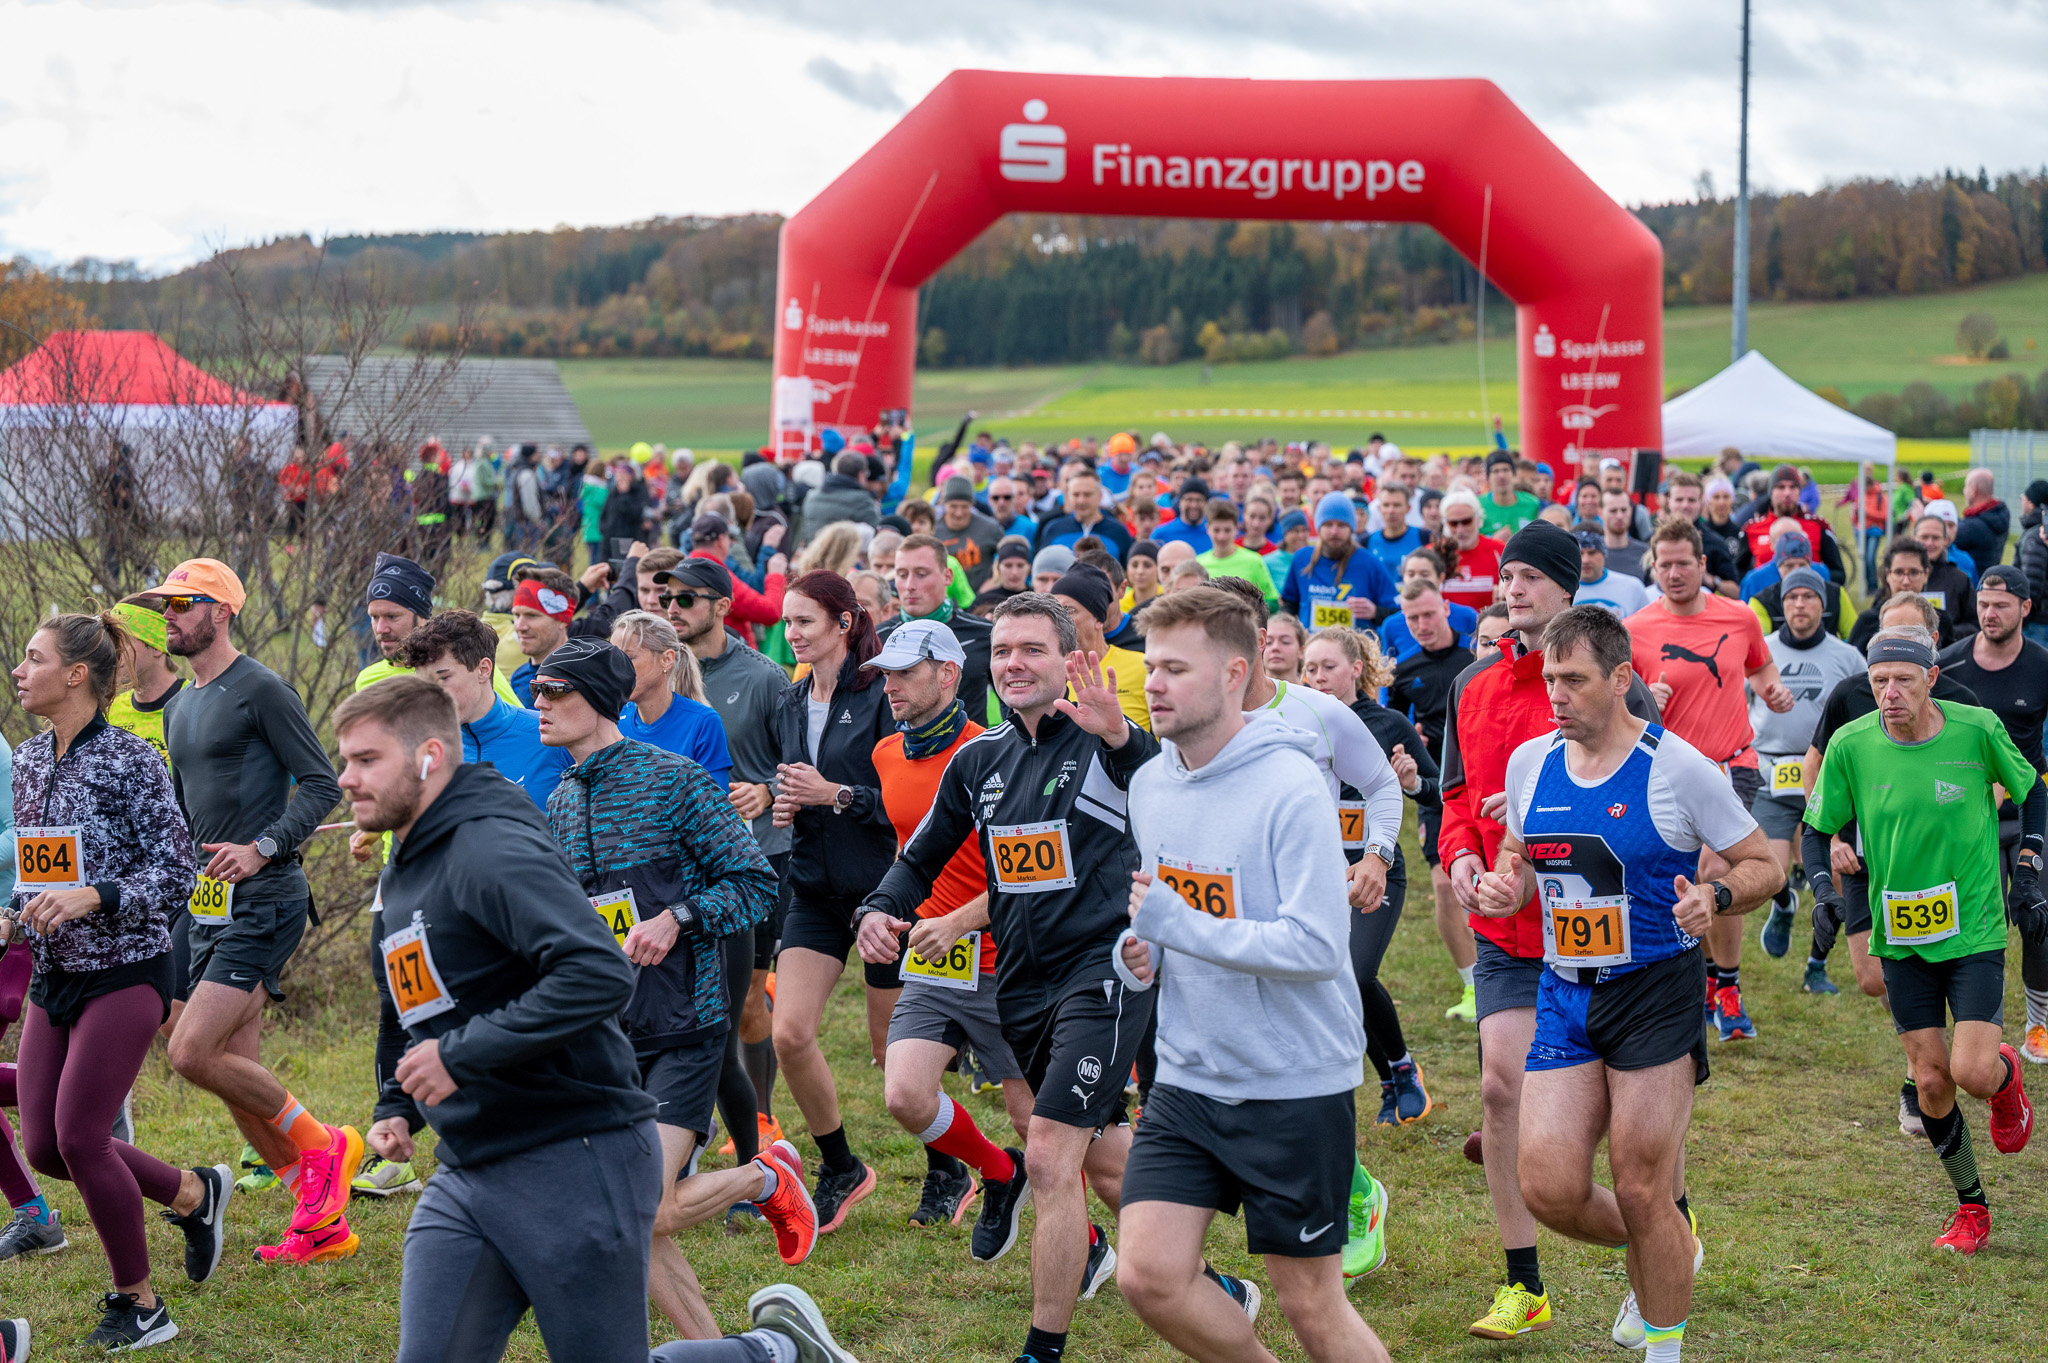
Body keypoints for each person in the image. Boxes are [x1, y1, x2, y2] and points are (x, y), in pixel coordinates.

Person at [857, 594, 1161, 1363]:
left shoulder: (1105, 743)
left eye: (1032, 649)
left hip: (1103, 975)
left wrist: (1120, 733)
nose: (1015, 663)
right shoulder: (980, 758)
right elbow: (920, 858)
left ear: (1068, 660)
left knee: (1050, 1153)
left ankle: (1040, 1350)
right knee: (1099, 1155)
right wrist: (879, 907)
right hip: (1020, 986)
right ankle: (1201, 1282)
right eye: (1003, 651)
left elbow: (1159, 781)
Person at [1475, 605, 1782, 1359]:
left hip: (1654, 991)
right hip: (1565, 992)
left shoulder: (1677, 767)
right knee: (1549, 1186)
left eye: (1573, 679)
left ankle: (1663, 1345)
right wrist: (1506, 886)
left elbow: (1765, 865)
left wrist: (1713, 896)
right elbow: (1521, 854)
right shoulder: (1531, 763)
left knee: (1643, 1184)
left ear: (1620, 679)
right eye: (1550, 678)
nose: (1556, 694)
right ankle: (1670, 1240)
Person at [1115, 588, 1392, 1363]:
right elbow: (1161, 917)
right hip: (1187, 1074)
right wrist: (1141, 952)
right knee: (1148, 1274)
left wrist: (1178, 925)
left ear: (1235, 673)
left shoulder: (1291, 787)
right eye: (1151, 666)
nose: (1154, 684)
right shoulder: (1150, 784)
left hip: (1291, 1082)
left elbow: (1315, 947)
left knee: (1312, 1305)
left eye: (1176, 668)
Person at [338, 680, 643, 1361]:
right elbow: (415, 998)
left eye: (367, 759)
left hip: (572, 1152)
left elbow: (599, 971)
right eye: (346, 760)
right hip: (469, 1166)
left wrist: (459, 1056)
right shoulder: (406, 864)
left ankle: (767, 1352)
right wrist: (399, 1103)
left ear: (429, 757)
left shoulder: (488, 849)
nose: (346, 779)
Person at [530, 641, 811, 1333]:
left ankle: (767, 1176)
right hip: (609, 1035)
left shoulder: (674, 780)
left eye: (554, 691)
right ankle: (715, 1350)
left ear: (599, 699)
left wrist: (677, 917)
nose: (538, 704)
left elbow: (755, 884)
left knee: (640, 1207)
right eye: (536, 691)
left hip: (687, 1022)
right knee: (629, 1213)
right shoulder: (561, 801)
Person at [1437, 522, 1659, 1340]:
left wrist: (1538, 823)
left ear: (1569, 588)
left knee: (1625, 1121)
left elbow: (1652, 798)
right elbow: (1454, 799)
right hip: (1506, 929)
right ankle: (1523, 1280)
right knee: (1501, 1086)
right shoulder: (1472, 684)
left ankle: (1661, 1243)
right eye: (1508, 573)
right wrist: (1465, 859)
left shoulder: (1612, 680)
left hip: (1602, 930)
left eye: (1531, 575)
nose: (1514, 587)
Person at [6, 612, 233, 1350]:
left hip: (127, 967)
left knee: (82, 1136)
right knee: (45, 1147)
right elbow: (41, 870)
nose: (19, 671)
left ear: (77, 674)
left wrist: (94, 896)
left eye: (33, 658)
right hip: (55, 972)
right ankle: (191, 1192)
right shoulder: (29, 760)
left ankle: (141, 1304)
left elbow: (177, 870)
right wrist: (14, 913)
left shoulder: (132, 758)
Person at [144, 560, 357, 1265]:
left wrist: (263, 847)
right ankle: (319, 1215)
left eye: (183, 604)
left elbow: (322, 784)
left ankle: (327, 1145)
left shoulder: (262, 688)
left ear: (222, 611)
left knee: (190, 1052)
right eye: (165, 605)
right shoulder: (179, 705)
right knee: (225, 1065)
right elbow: (186, 817)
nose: (170, 616)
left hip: (266, 898)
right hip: (204, 902)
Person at [1802, 627, 2040, 1254]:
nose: (1890, 693)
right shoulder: (1851, 744)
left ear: (1931, 678)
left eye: (1903, 680)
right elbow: (1816, 828)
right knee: (1932, 1082)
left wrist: (2031, 865)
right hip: (1900, 934)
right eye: (1879, 681)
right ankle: (1972, 1207)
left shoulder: (1976, 729)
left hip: (1974, 926)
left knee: (1971, 1072)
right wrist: (1824, 891)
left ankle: (2004, 1078)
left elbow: (2033, 790)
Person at [1202, 577, 1404, 1281]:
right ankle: (1347, 1183)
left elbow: (1381, 785)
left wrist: (1375, 856)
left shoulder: (1317, 712)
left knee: (1308, 1063)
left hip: (1310, 916)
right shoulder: (1192, 719)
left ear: (1260, 641)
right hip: (1225, 919)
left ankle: (1351, 1200)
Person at [850, 620, 1035, 1241]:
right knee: (903, 1094)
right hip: (934, 957)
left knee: (1034, 1121)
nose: (890, 687)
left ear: (949, 674)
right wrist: (882, 910)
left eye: (905, 673)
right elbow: (913, 852)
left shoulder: (995, 754)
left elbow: (1028, 874)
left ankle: (1082, 1239)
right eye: (885, 675)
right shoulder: (885, 753)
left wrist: (960, 920)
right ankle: (999, 1172)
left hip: (1005, 956)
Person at [1625, 518, 1794, 1042]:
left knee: (1717, 865)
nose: (1674, 573)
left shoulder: (1738, 616)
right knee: (1681, 875)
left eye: (1683, 563)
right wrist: (1644, 698)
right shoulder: (1635, 629)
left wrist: (1773, 691)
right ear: (1653, 567)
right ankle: (1700, 981)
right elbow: (1618, 702)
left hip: (1730, 762)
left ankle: (1729, 987)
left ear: (1702, 563)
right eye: (1664, 564)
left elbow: (1760, 667)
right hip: (1664, 770)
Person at [768, 571, 898, 1232]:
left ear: (844, 622)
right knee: (789, 1034)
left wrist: (835, 795)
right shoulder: (791, 700)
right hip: (814, 889)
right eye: (787, 622)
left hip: (883, 890)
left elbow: (907, 802)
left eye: (805, 621)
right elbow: (798, 782)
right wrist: (785, 801)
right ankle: (841, 1165)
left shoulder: (881, 693)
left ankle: (950, 1166)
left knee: (893, 1056)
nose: (792, 633)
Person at [1301, 628, 1438, 1125]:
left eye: (1328, 667)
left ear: (1356, 669)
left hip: (1377, 869)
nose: (1317, 677)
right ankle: (1387, 1080)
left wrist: (1412, 782)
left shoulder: (1388, 724)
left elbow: (1439, 789)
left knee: (1356, 973)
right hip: (1317, 873)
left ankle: (1402, 1068)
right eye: (1310, 668)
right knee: (1331, 980)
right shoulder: (1298, 720)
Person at [1933, 566, 2048, 1060]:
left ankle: (2039, 1024)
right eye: (1983, 603)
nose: (1989, 613)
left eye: (2001, 604)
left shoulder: (2041, 665)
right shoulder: (1949, 665)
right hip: (1967, 811)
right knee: (1978, 924)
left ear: (2025, 607)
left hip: (2029, 805)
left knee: (2037, 910)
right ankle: (1978, 1025)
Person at [1745, 568, 1867, 986]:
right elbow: (1740, 704)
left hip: (1831, 775)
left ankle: (1817, 965)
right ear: (1783, 605)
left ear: (1823, 604)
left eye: (1809, 597)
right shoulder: (1761, 650)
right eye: (1792, 597)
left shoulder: (1847, 656)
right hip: (1771, 772)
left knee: (1836, 873)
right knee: (1770, 870)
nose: (1800, 604)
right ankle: (1783, 904)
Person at [1389, 581, 1481, 1020]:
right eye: (1412, 619)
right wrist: (1412, 742)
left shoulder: (1473, 657)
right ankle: (1472, 986)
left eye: (1428, 614)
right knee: (1445, 884)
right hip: (1436, 786)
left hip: (1483, 782)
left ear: (1446, 608)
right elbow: (1394, 724)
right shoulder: (1405, 671)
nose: (1421, 625)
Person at [398, 611, 572, 813]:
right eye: (424, 684)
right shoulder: (425, 752)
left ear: (483, 670)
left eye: (442, 679)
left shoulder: (552, 738)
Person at [880, 535, 995, 725]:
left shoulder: (984, 633)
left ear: (947, 576)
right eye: (902, 575)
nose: (909, 586)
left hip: (971, 743)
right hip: (897, 744)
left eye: (921, 574)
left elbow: (1012, 703)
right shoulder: (877, 637)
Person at [612, 611, 731, 784]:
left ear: (666, 659)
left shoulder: (703, 722)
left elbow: (715, 798)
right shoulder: (612, 721)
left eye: (628, 658)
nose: (615, 668)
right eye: (613, 658)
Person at [1051, 564, 1151, 733]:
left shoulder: (1142, 667)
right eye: (1054, 611)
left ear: (1098, 619)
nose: (1058, 620)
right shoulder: (1049, 673)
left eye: (1068, 610)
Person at [1280, 494, 1398, 634]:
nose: (1334, 532)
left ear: (1351, 528)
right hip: (1311, 645)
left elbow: (1397, 613)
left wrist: (1376, 612)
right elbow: (1289, 605)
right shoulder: (1302, 559)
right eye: (1328, 525)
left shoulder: (1370, 564)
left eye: (1341, 525)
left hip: (1357, 646)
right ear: (1318, 527)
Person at [1849, 542, 1953, 650]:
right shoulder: (1868, 622)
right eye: (1898, 572)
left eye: (1914, 572)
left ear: (1926, 575)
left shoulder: (1942, 621)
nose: (1906, 581)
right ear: (1888, 575)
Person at [507, 569, 580, 706]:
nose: (520, 626)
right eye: (516, 615)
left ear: (562, 620)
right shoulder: (518, 678)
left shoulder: (580, 679)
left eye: (532, 616)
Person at [1195, 500, 1279, 611]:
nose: (1222, 536)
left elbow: (1272, 602)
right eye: (1216, 530)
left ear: (1236, 528)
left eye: (1227, 530)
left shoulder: (1253, 561)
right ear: (1208, 529)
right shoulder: (1198, 563)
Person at [1034, 467, 1133, 561]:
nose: (1081, 500)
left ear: (1100, 496)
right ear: (1068, 496)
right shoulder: (1054, 529)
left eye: (1087, 494)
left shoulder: (1118, 532)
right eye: (1076, 494)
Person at [1435, 491, 1508, 615]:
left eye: (1466, 521)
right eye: (1453, 523)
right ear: (1445, 524)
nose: (1460, 530)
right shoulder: (1434, 553)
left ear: (1478, 519)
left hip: (1489, 624)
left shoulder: (1500, 550)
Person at [1574, 530, 1653, 617]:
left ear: (1604, 555)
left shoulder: (1632, 587)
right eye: (1580, 553)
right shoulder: (1564, 590)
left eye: (1592, 553)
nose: (1585, 560)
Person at [1480, 451, 1541, 538]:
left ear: (1514, 474)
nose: (1501, 475)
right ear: (1487, 477)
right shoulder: (1478, 506)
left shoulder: (1532, 503)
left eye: (1506, 470)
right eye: (1496, 471)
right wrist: (1493, 540)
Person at [1596, 489, 1652, 580]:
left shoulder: (1645, 553)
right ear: (1600, 513)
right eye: (1613, 511)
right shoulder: (1591, 554)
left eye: (1624, 510)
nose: (1620, 516)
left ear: (1631, 511)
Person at [1152, 477, 1215, 554]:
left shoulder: (1215, 533)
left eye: (1199, 500)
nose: (1194, 505)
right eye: (1189, 500)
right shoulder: (1161, 534)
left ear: (1206, 503)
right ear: (1180, 502)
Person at [978, 537, 1036, 617]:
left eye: (1020, 565)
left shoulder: (1038, 599)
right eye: (1008, 565)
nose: (1014, 572)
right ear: (998, 568)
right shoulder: (984, 600)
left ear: (1029, 568)